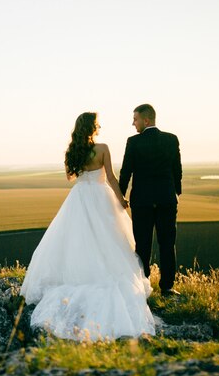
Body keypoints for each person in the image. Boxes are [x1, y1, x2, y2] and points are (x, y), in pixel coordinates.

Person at [19, 112, 156, 341]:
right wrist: (121, 199)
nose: (100, 125)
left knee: (77, 240)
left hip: (80, 197)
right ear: (92, 127)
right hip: (101, 197)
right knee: (110, 239)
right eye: (97, 123)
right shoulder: (102, 148)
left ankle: (79, 273)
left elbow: (70, 177)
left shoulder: (72, 151)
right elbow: (111, 177)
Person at [118, 104, 182, 296]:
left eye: (135, 119)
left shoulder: (133, 142)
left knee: (142, 244)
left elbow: (125, 171)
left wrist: (120, 196)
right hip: (166, 200)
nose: (133, 123)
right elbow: (177, 169)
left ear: (146, 120)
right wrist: (176, 192)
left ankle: (143, 287)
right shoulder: (171, 139)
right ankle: (168, 287)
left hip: (142, 202)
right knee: (167, 243)